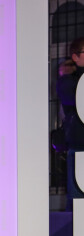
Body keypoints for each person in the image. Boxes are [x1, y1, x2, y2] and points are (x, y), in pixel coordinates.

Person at [57, 37, 84, 211]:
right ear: (75, 57)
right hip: (78, 145)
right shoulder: (68, 80)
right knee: (77, 201)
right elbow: (71, 98)